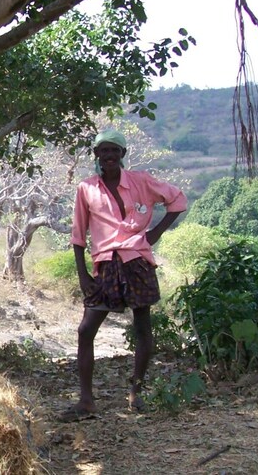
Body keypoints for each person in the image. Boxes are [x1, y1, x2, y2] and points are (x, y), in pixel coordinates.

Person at [64, 129, 187, 421]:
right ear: (97, 155)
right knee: (86, 331)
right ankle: (86, 401)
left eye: (114, 150)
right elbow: (78, 234)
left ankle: (136, 393)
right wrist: (83, 274)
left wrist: (154, 234)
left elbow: (178, 200)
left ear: (122, 154)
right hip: (106, 264)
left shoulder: (141, 181)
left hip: (137, 262)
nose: (109, 156)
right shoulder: (87, 188)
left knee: (143, 328)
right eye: (103, 151)